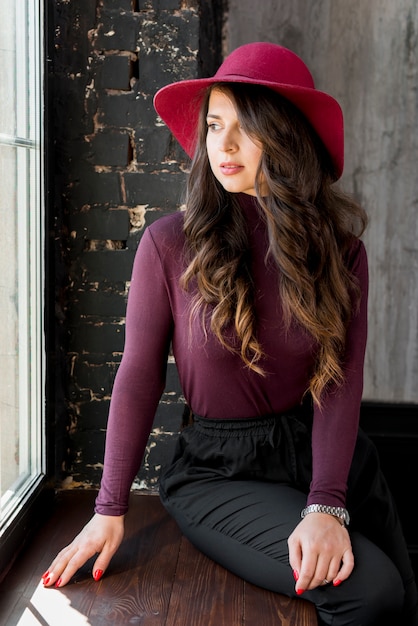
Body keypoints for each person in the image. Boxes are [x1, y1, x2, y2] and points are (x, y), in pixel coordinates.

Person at [42, 42, 417, 625]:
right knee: (370, 592)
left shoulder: (342, 254)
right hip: (220, 472)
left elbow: (339, 383)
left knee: (405, 601)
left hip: (323, 459)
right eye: (215, 125)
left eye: (247, 127)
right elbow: (138, 376)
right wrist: (109, 506)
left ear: (286, 136)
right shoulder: (168, 245)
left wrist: (327, 502)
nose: (224, 145)